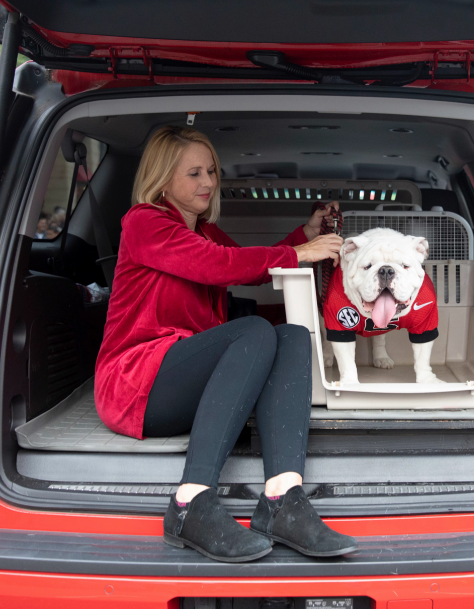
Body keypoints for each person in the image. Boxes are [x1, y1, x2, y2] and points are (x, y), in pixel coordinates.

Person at [94, 126, 357, 562]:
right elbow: (220, 267)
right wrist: (300, 253)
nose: (208, 183)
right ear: (162, 178)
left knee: (291, 334)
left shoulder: (205, 231)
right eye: (194, 173)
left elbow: (249, 267)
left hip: (185, 381)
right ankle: (190, 502)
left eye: (212, 171)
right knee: (253, 328)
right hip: (135, 384)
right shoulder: (144, 222)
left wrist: (301, 236)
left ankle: (282, 501)